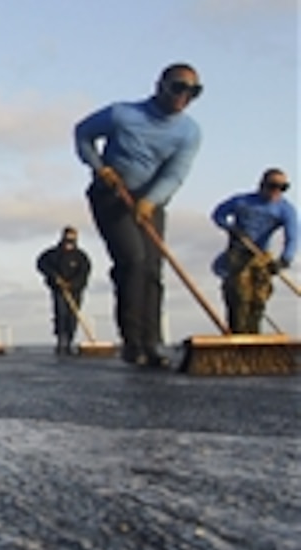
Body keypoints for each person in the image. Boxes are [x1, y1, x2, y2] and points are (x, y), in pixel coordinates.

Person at [74, 63, 203, 368]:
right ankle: (133, 343)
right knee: (133, 261)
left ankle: (152, 341)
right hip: (111, 196)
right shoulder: (123, 114)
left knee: (153, 270)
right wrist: (98, 166)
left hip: (150, 203)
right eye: (178, 87)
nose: (183, 96)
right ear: (160, 85)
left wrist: (151, 200)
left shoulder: (189, 132)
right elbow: (82, 133)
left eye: (193, 91)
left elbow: (176, 172)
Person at [211, 168, 297, 334]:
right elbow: (218, 214)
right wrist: (232, 229)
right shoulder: (242, 201)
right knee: (239, 297)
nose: (276, 191)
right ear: (262, 185)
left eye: (282, 187)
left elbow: (292, 236)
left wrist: (284, 260)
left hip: (261, 257)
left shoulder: (286, 210)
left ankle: (254, 338)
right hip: (238, 254)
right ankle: (237, 334)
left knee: (258, 299)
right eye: (273, 186)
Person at [35, 226, 92, 355]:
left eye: (72, 238)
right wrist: (54, 277)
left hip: (75, 290)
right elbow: (41, 264)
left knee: (73, 316)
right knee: (61, 314)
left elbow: (84, 273)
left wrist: (73, 284)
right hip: (58, 290)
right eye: (67, 238)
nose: (69, 241)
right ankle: (61, 340)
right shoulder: (52, 254)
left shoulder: (81, 257)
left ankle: (70, 341)